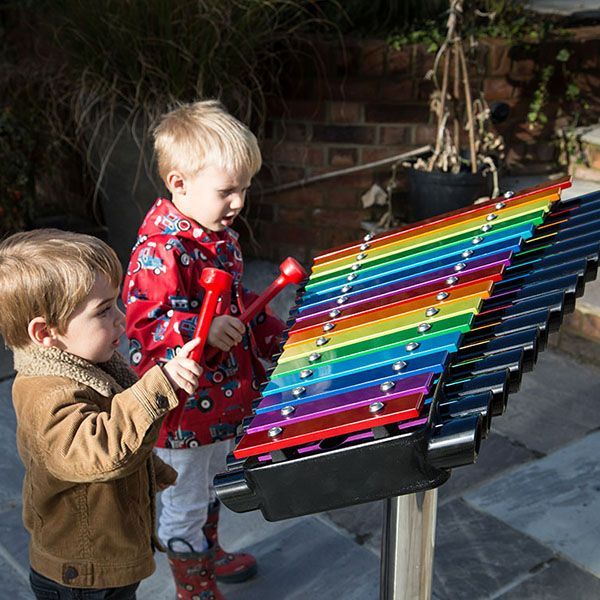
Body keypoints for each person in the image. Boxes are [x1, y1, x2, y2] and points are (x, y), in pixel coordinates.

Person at [123, 100, 285, 600]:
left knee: (212, 486)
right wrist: (201, 327)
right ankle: (191, 586)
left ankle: (208, 553)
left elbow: (240, 310)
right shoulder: (160, 250)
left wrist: (272, 335)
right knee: (185, 501)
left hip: (223, 401)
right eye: (226, 191)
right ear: (179, 184)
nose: (238, 201)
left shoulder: (223, 239)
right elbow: (142, 323)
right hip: (183, 411)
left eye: (245, 188)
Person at [0, 229, 203, 600]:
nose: (121, 319)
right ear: (46, 332)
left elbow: (118, 425)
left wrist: (153, 473)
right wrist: (158, 386)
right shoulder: (45, 392)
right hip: (81, 577)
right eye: (104, 310)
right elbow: (100, 451)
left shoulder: (89, 365)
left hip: (107, 561)